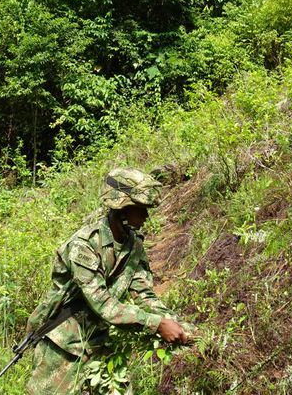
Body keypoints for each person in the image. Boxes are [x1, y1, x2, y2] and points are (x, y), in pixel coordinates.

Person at [26, 168, 193, 394]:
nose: (145, 217)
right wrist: (156, 324)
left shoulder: (133, 245)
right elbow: (103, 304)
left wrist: (176, 323)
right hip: (62, 344)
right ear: (121, 208)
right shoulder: (84, 246)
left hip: (98, 343)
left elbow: (144, 294)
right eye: (140, 209)